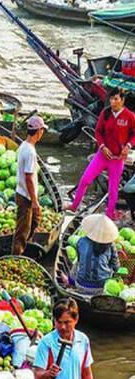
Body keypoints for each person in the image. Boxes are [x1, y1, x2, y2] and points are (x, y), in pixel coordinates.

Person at [68, 89, 135, 217]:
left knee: (113, 188)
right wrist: (102, 146)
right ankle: (74, 206)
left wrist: (128, 146)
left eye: (116, 99)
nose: (113, 102)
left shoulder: (129, 116)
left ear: (122, 100)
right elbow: (98, 132)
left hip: (117, 159)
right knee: (85, 180)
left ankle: (109, 214)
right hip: (102, 156)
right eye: (111, 99)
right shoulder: (105, 113)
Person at [12, 115, 45, 255]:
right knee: (22, 230)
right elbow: (29, 178)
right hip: (26, 196)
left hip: (21, 192)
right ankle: (16, 256)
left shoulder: (24, 146)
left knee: (34, 221)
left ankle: (25, 248)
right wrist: (34, 200)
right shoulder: (30, 151)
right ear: (39, 132)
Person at [73, 214, 120, 292]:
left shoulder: (81, 241)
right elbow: (116, 267)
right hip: (102, 287)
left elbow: (79, 260)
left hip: (81, 284)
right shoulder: (110, 245)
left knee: (76, 263)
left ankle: (70, 281)